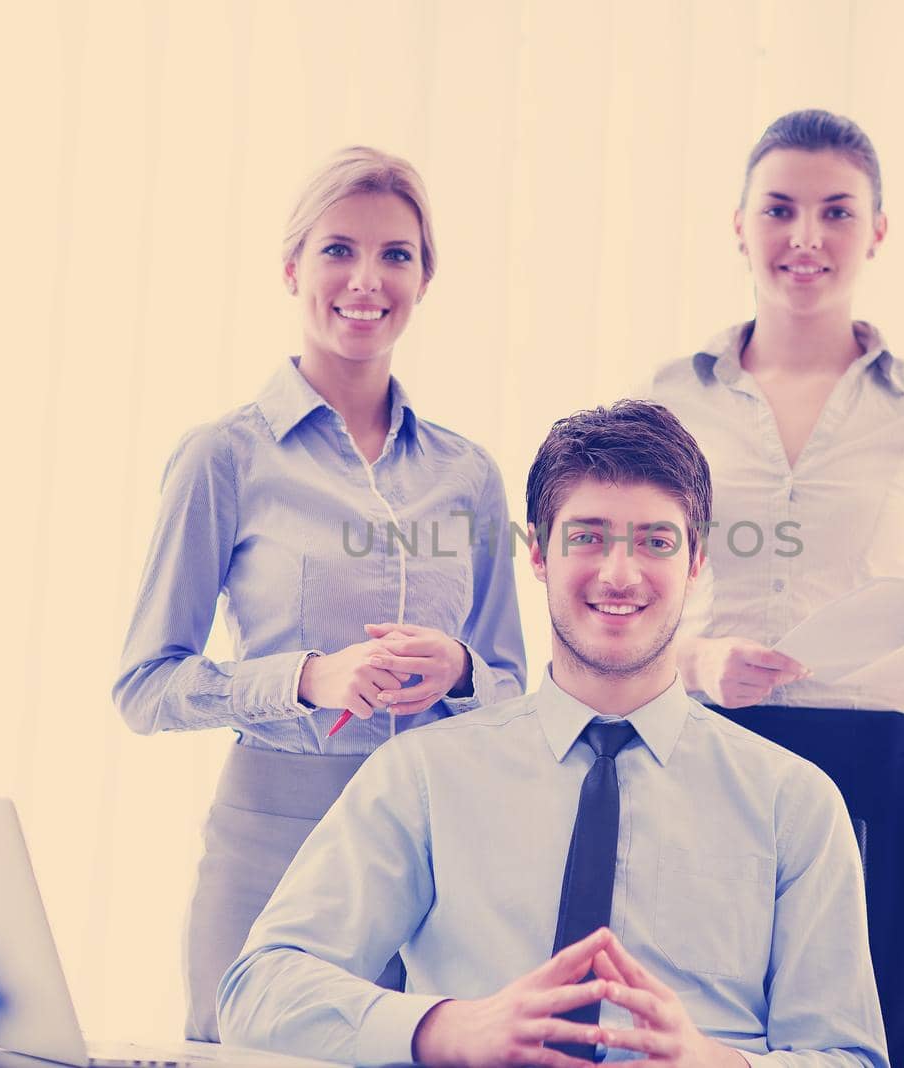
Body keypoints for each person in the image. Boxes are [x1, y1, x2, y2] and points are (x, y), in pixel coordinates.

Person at [217, 401, 888, 1068]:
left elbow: (848, 1055)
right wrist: (451, 1029)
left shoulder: (792, 803)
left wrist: (719, 1066)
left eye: (656, 541)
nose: (620, 574)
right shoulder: (423, 774)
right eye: (588, 536)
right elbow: (259, 992)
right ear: (538, 553)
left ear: (697, 561)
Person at [112, 146, 527, 1041]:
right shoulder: (224, 456)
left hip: (434, 847)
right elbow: (144, 686)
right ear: (292, 266)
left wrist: (457, 666)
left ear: (425, 277)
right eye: (338, 249)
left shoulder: (470, 474)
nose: (366, 279)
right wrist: (307, 679)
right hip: (273, 841)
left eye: (396, 255)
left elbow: (509, 685)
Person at [645, 110, 904, 1067]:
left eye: (836, 212)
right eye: (779, 209)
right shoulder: (670, 399)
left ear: (877, 232)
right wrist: (700, 661)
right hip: (705, 762)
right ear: (738, 223)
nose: (805, 237)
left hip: (869, 776)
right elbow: (629, 615)